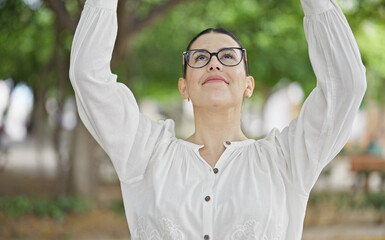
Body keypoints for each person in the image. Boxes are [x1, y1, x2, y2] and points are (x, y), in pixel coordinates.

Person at [69, 0, 366, 238]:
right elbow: (88, 77)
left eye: (228, 56)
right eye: (199, 58)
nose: (213, 62)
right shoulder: (146, 153)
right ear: (183, 86)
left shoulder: (285, 160)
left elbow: (345, 85)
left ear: (248, 85)